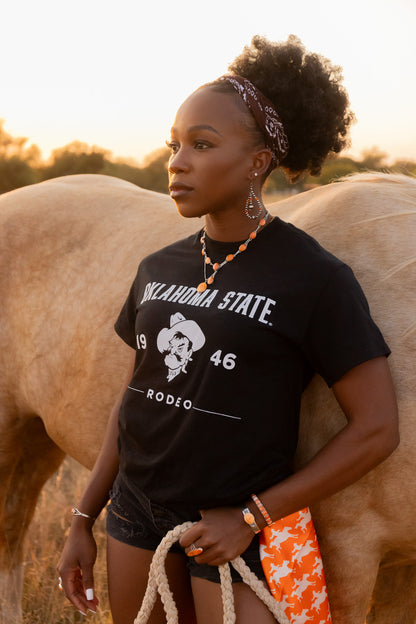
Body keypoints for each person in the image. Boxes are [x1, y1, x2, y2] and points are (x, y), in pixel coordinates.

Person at [57, 35, 399, 624]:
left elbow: (377, 429)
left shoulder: (313, 277)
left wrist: (252, 517)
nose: (177, 161)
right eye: (175, 144)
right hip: (136, 518)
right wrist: (84, 519)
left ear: (257, 162)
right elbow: (136, 397)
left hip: (236, 526)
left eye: (202, 144)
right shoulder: (158, 267)